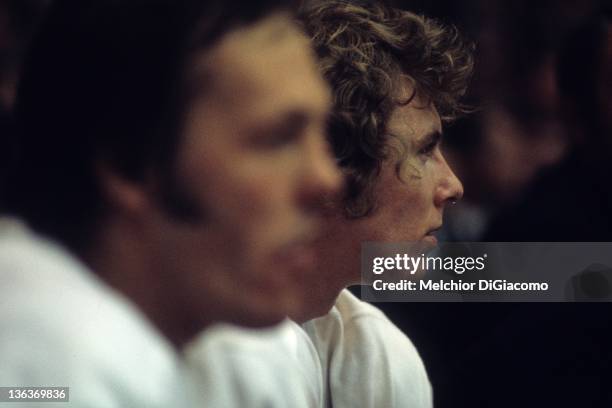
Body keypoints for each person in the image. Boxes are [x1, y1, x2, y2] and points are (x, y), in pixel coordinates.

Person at [1, 0, 340, 406]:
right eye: (278, 139)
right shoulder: (57, 359)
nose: (327, 180)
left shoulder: (236, 352)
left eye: (322, 138)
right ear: (130, 164)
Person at [295, 1, 473, 407]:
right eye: (425, 151)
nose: (454, 186)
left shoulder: (378, 353)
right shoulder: (207, 345)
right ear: (334, 166)